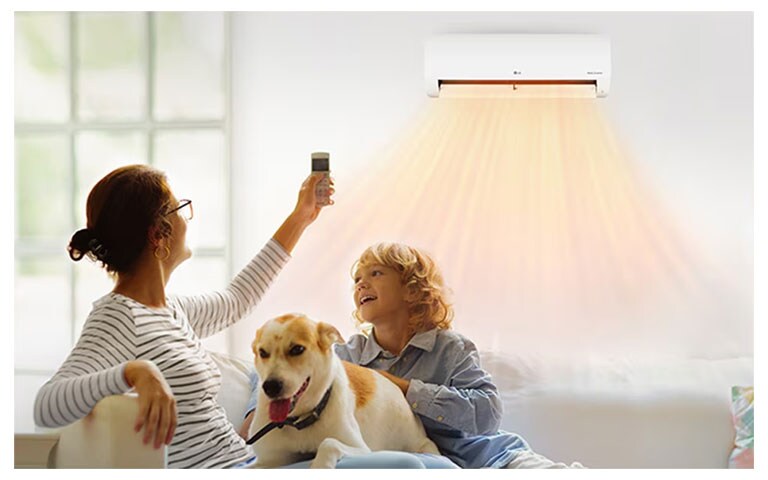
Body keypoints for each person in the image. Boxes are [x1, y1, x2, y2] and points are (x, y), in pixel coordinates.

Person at [33, 164, 342, 469]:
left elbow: (237, 300)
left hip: (246, 463)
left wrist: (302, 216)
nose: (187, 218)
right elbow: (48, 404)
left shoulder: (171, 310)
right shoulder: (118, 317)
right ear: (158, 234)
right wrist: (134, 371)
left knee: (365, 460)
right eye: (179, 209)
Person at [241, 242, 584, 468]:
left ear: (412, 289)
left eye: (375, 274)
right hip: (416, 461)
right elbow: (279, 367)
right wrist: (259, 411)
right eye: (357, 279)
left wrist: (406, 389)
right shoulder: (349, 354)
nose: (361, 284)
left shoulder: (451, 348)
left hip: (489, 458)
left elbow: (488, 413)